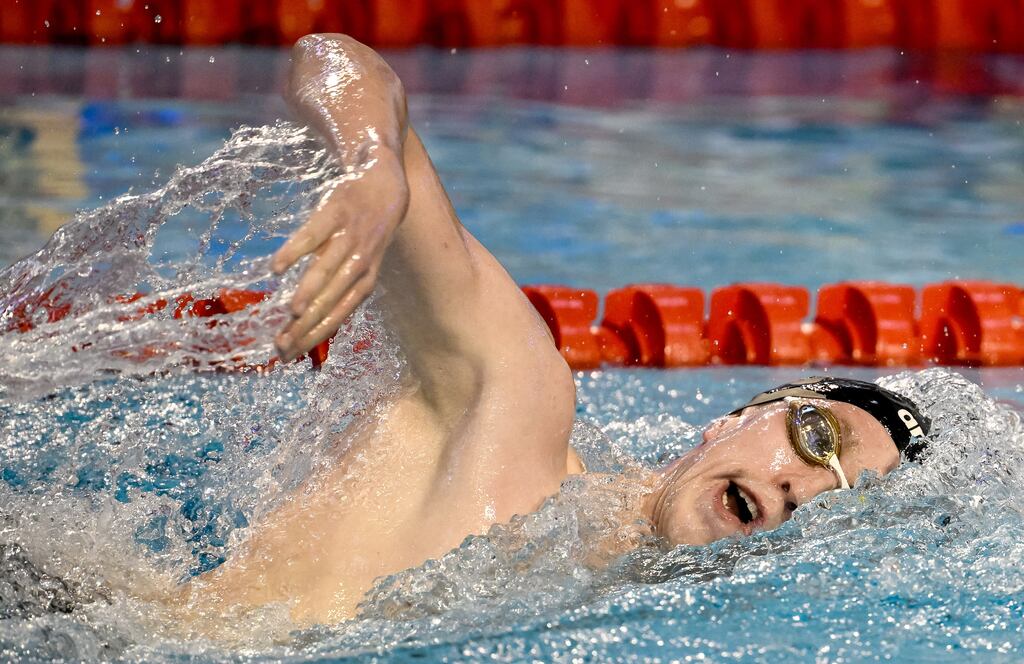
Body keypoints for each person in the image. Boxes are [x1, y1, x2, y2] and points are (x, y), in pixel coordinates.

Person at [184, 34, 931, 626]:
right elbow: (339, 58)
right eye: (817, 440)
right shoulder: (515, 408)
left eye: (839, 505)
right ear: (733, 421)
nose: (804, 493)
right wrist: (376, 163)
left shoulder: (595, 609)